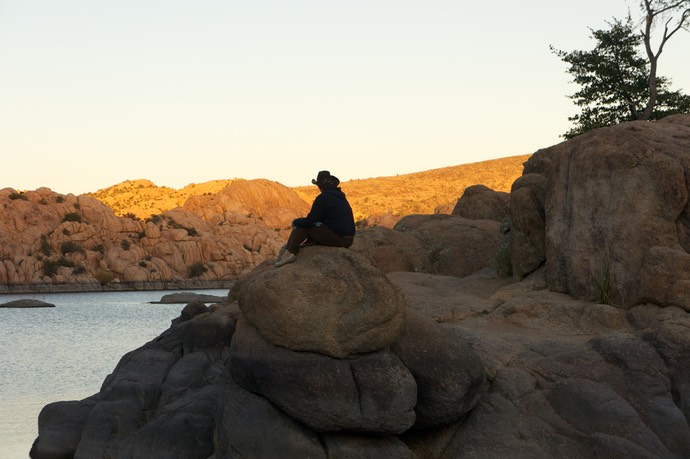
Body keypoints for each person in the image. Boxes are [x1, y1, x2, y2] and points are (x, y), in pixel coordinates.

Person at [275, 170, 356, 267]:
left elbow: (310, 221)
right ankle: (306, 244)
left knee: (303, 226)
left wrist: (296, 222)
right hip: (348, 241)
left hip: (340, 240)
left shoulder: (322, 198)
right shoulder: (340, 197)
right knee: (311, 224)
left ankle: (290, 253)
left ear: (320, 186)